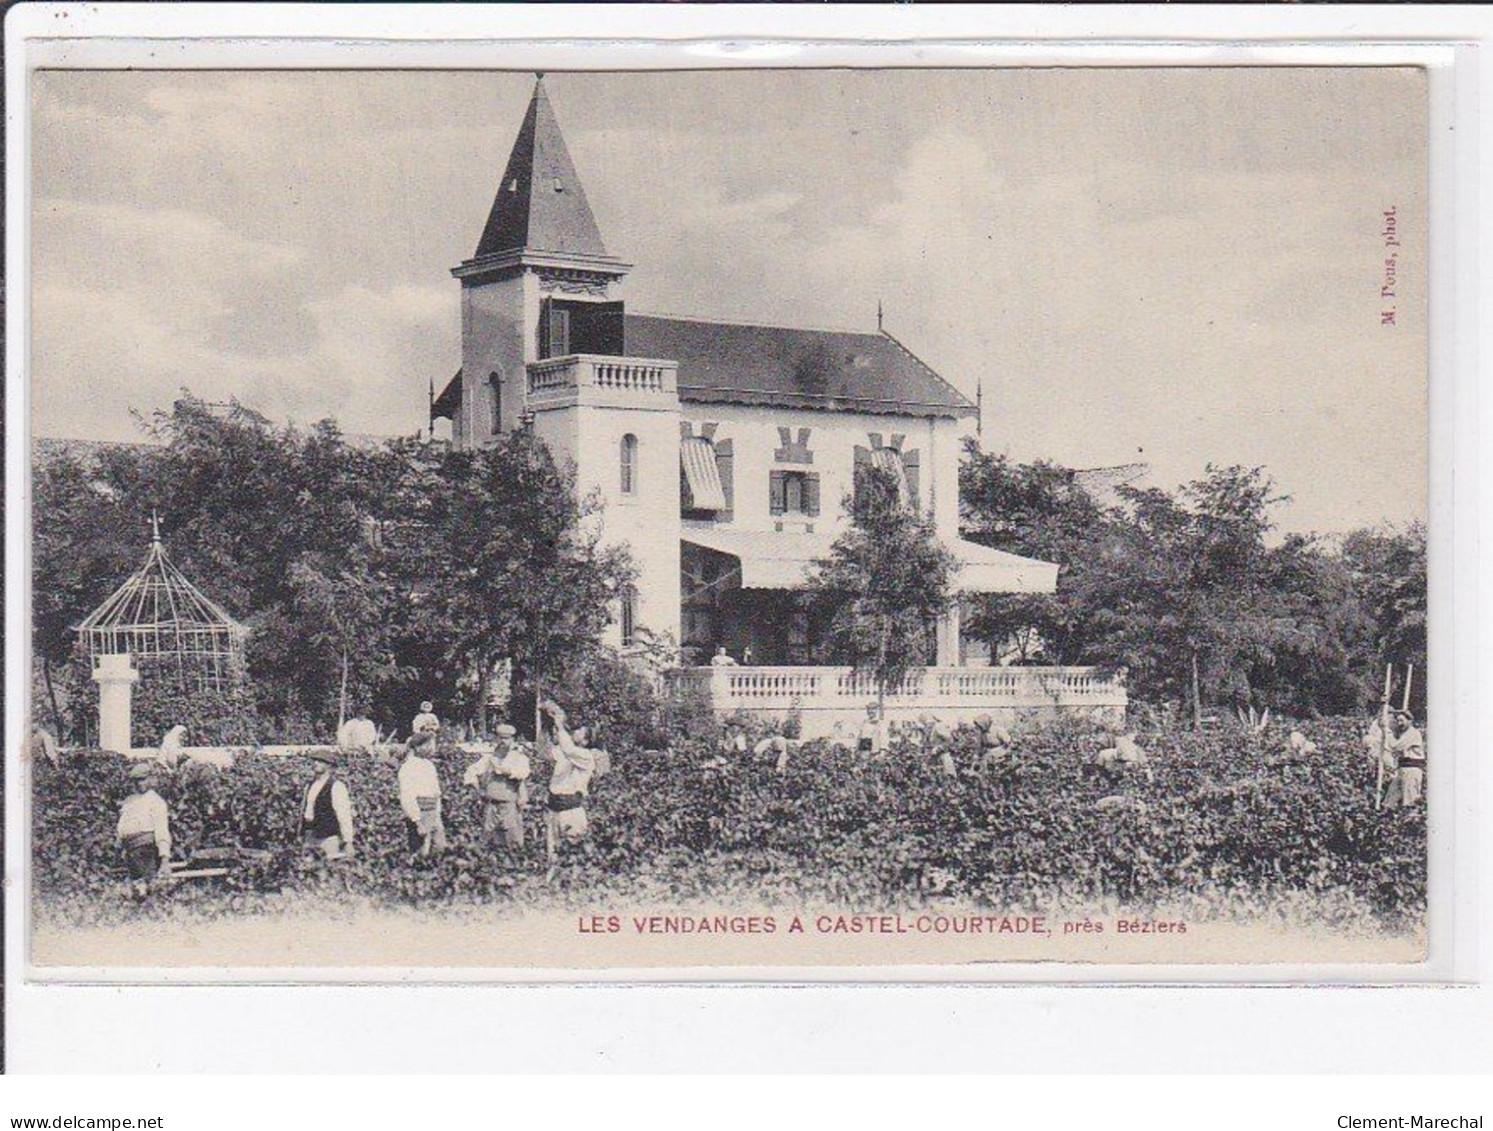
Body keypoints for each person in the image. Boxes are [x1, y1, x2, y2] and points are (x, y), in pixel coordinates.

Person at [539, 700, 599, 881]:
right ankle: (552, 883)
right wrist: (547, 723)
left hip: (571, 808)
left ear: (587, 741)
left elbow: (567, 747)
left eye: (581, 731)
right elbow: (544, 751)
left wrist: (559, 722)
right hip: (554, 806)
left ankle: (576, 883)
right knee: (553, 849)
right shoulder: (565, 752)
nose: (576, 731)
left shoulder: (585, 756)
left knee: (574, 849)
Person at [463, 724, 531, 855]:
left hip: (509, 803)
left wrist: (506, 771)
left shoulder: (519, 758)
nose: (503, 741)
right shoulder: (489, 758)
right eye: (500, 738)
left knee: (512, 838)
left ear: (513, 739)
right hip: (491, 804)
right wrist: (477, 788)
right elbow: (471, 771)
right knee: (488, 837)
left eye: (507, 738)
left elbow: (523, 773)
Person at [116, 762, 171, 895]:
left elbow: (162, 831)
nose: (139, 784)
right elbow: (122, 826)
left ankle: (154, 911)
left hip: (145, 849)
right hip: (130, 849)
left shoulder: (156, 802)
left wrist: (165, 860)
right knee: (135, 889)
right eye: (136, 781)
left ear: (151, 779)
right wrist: (119, 847)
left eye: (142, 779)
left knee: (148, 887)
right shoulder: (130, 801)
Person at [398, 731, 446, 858]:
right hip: (420, 812)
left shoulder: (429, 765)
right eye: (426, 745)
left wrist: (437, 813)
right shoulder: (408, 767)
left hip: (433, 812)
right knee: (420, 852)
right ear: (417, 747)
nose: (430, 748)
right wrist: (417, 821)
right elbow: (407, 796)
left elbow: (436, 792)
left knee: (439, 847)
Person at [302, 750, 355, 859]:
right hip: (310, 836)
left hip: (328, 838)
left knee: (328, 868)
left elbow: (344, 815)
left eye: (321, 761)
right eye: (315, 760)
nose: (316, 763)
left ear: (329, 765)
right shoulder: (309, 785)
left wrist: (348, 842)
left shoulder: (336, 786)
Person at [1391, 710, 1426, 806]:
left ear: (1410, 720)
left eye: (1402, 720)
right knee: (1390, 800)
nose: (1399, 723)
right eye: (1398, 721)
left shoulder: (1413, 733)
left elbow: (1396, 747)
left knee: (1409, 801)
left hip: (1411, 769)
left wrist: (1387, 732)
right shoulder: (1403, 734)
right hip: (1402, 769)